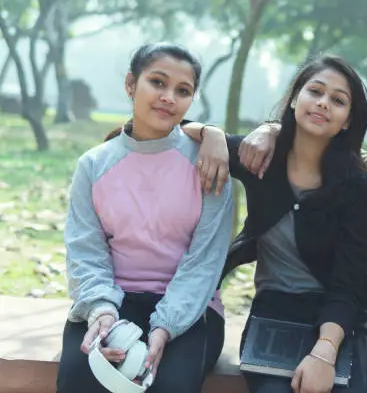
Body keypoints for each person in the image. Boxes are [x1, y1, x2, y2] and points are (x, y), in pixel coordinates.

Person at [184, 54, 367, 393]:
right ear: (294, 99)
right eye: (315, 92)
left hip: (341, 315)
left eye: (338, 100)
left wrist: (324, 351)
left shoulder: (360, 185)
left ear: (348, 119)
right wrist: (213, 133)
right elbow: (176, 126)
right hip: (276, 310)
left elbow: (348, 282)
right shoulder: (260, 157)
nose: (323, 103)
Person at [56, 43, 234, 393]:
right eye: (158, 82)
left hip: (190, 310)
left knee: (169, 385)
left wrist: (165, 326)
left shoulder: (209, 164)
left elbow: (204, 263)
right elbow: (85, 250)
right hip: (111, 299)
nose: (169, 97)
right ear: (130, 84)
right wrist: (101, 312)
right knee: (79, 381)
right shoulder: (94, 165)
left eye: (182, 91)